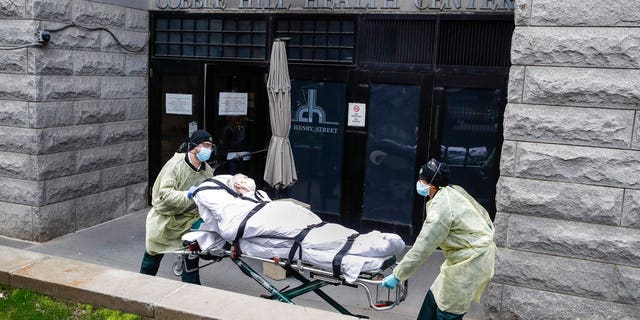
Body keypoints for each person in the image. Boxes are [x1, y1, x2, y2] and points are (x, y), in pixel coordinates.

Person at [381, 158, 496, 320]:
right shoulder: (453, 191)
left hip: (470, 262)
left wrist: (398, 275)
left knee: (448, 312)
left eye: (421, 180)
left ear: (432, 184)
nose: (419, 183)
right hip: (463, 258)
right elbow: (483, 214)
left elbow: (422, 247)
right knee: (434, 299)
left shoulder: (441, 209)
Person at [139, 129, 215, 284]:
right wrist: (187, 194)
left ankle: (191, 292)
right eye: (205, 145)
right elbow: (164, 194)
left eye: (211, 146)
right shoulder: (175, 165)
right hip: (166, 220)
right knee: (152, 257)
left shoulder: (207, 170)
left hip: (189, 220)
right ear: (194, 146)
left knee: (191, 258)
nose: (208, 149)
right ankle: (141, 286)